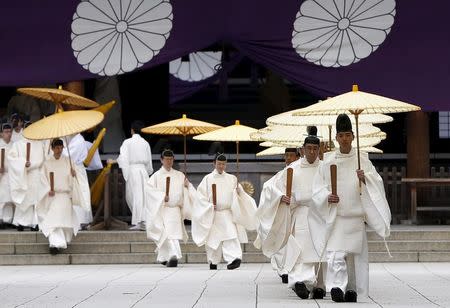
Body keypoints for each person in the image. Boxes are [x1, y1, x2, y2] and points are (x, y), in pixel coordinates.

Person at [309, 114, 391, 302]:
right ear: (336, 138)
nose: (344, 139)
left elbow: (376, 184)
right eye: (341, 135)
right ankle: (337, 287)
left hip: (355, 215)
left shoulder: (363, 159)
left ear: (353, 136)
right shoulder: (327, 161)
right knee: (336, 253)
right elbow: (317, 188)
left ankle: (352, 289)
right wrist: (326, 196)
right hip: (336, 215)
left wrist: (366, 178)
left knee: (354, 257)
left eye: (347, 135)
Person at [192, 153, 257, 270]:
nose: (221, 166)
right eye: (219, 164)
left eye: (223, 164)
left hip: (227, 213)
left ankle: (234, 258)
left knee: (231, 236)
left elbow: (241, 195)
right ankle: (213, 261)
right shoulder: (207, 179)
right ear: (214, 163)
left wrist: (239, 191)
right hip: (213, 213)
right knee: (213, 239)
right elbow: (200, 198)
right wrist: (209, 206)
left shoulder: (232, 179)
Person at [285, 127, 325, 299]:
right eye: (308, 148)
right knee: (302, 248)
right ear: (302, 149)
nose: (311, 151)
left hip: (321, 213)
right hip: (301, 212)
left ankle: (319, 285)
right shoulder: (293, 168)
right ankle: (300, 281)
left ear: (319, 149)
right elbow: (275, 188)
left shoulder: (325, 168)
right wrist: (283, 198)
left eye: (315, 148)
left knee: (320, 249)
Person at [254, 147, 299, 284]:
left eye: (292, 155)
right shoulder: (281, 174)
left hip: (299, 210)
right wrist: (279, 197)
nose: (289, 158)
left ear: (297, 156)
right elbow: (269, 188)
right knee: (282, 238)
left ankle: (293, 269)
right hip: (284, 210)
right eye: (287, 155)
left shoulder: (302, 170)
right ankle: (284, 270)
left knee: (296, 241)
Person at [145, 149, 196, 267]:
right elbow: (149, 191)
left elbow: (187, 191)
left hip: (175, 209)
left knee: (172, 234)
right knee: (166, 233)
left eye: (171, 159)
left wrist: (188, 186)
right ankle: (173, 255)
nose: (169, 161)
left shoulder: (179, 175)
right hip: (163, 209)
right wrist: (162, 196)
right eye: (166, 159)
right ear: (161, 160)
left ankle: (165, 257)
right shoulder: (156, 176)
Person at [36, 139, 83, 255]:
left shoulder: (68, 161)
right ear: (52, 149)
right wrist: (48, 190)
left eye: (61, 147)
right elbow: (42, 180)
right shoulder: (47, 163)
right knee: (54, 221)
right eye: (57, 148)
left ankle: (62, 241)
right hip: (52, 196)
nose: (59, 150)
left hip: (65, 196)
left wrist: (73, 175)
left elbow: (74, 180)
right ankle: (55, 244)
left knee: (63, 221)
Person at [8, 127, 47, 231]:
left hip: (35, 175)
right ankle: (21, 222)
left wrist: (32, 165)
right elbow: (11, 158)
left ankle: (35, 223)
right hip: (23, 175)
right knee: (24, 198)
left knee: (35, 199)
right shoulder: (17, 144)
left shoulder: (39, 144)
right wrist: (23, 163)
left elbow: (42, 159)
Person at [116, 121, 153, 230]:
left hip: (133, 170)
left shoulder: (127, 142)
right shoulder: (145, 143)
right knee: (142, 196)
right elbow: (149, 163)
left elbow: (123, 158)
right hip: (143, 170)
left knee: (134, 196)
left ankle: (139, 221)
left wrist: (116, 162)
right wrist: (147, 171)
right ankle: (142, 221)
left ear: (132, 130)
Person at [63, 133, 93, 228]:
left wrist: (61, 149)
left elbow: (69, 155)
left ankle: (80, 220)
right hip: (76, 168)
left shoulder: (78, 140)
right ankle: (81, 220)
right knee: (79, 193)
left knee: (78, 194)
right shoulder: (75, 139)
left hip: (76, 169)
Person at [0, 123, 15, 227]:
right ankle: (1, 219)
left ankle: (10, 220)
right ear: (1, 134)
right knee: (2, 198)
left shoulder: (15, 145)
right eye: (6, 132)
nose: (8, 134)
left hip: (13, 175)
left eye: (10, 132)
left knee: (11, 199)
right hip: (2, 175)